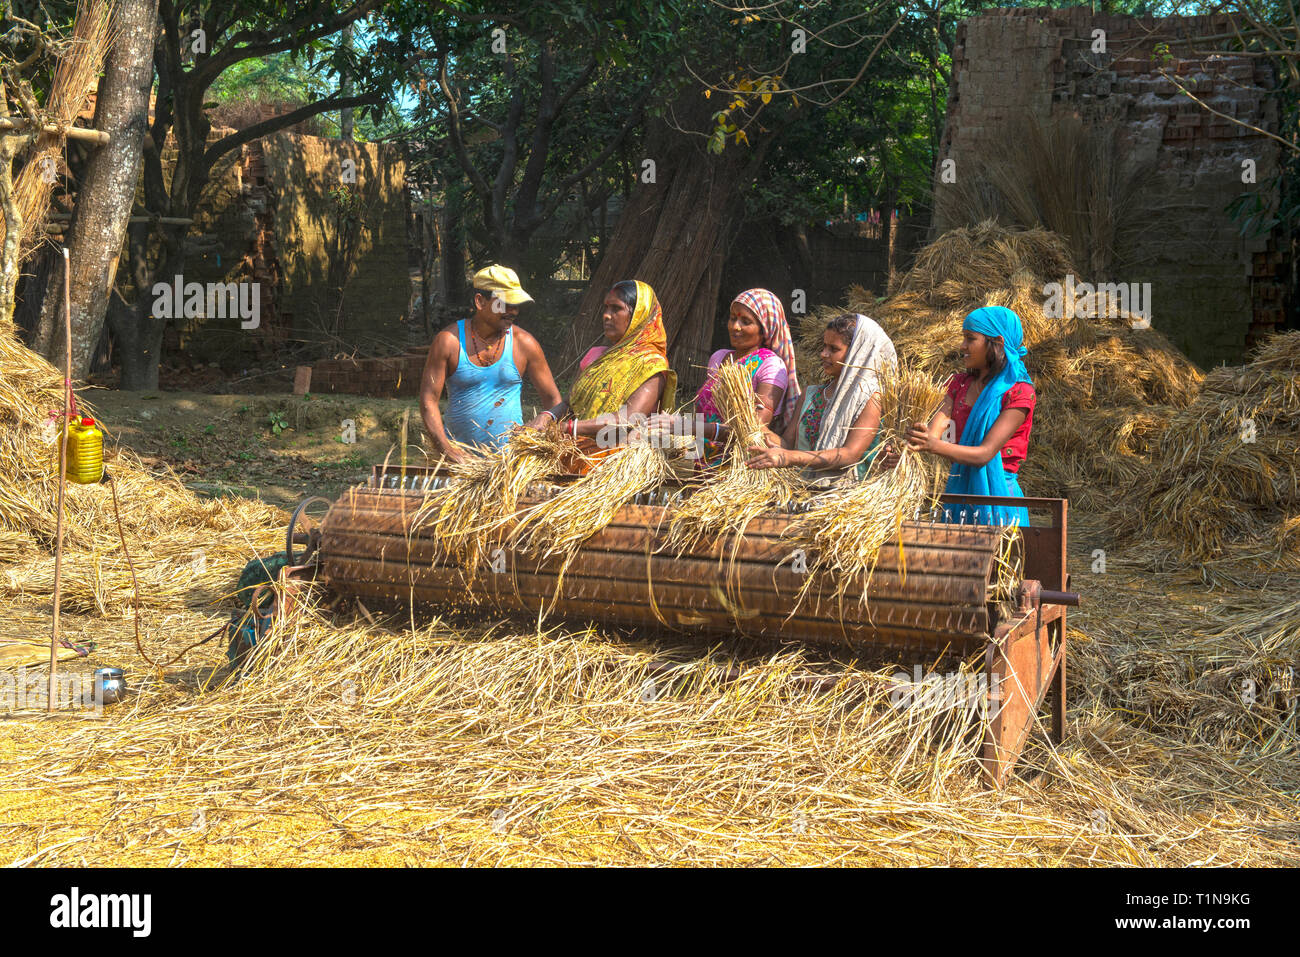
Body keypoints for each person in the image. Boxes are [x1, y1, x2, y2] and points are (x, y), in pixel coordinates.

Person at [905, 306, 1035, 526]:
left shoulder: (1018, 392)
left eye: (970, 339)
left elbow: (983, 455)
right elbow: (933, 434)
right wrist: (910, 444)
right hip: (960, 495)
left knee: (998, 558)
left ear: (998, 343)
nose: (962, 346)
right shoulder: (959, 385)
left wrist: (932, 445)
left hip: (998, 497)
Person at [419, 265, 562, 462]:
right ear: (480, 301)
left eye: (516, 304)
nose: (513, 311)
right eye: (505, 303)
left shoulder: (524, 344)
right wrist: (447, 449)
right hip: (461, 465)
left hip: (511, 463)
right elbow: (428, 400)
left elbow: (553, 401)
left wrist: (543, 429)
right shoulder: (449, 342)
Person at [652, 288, 801, 467]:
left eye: (746, 321)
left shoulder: (770, 365)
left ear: (765, 330)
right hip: (703, 459)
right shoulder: (719, 357)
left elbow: (752, 430)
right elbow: (707, 411)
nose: (735, 326)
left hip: (741, 466)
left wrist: (688, 427)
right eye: (732, 318)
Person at [745, 313, 895, 480]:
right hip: (801, 487)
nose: (824, 354)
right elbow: (787, 444)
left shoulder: (870, 400)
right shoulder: (810, 395)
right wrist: (756, 427)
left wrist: (789, 457)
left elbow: (849, 455)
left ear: (857, 353)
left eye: (834, 349)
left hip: (843, 494)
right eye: (824, 347)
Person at [526, 280, 675, 441]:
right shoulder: (596, 356)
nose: (606, 315)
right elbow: (570, 403)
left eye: (616, 308)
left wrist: (568, 428)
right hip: (574, 450)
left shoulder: (651, 364)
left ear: (639, 315)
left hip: (614, 456)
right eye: (606, 308)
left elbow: (630, 418)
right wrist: (547, 416)